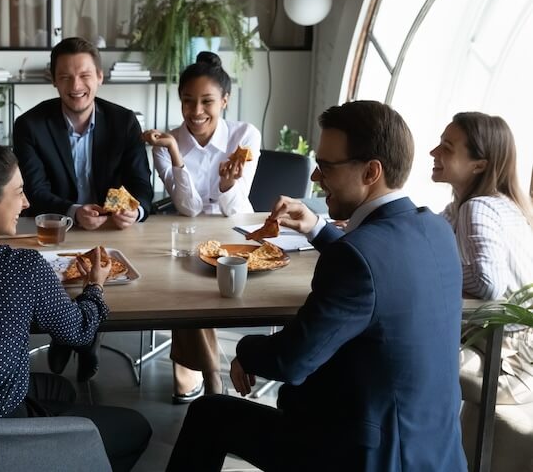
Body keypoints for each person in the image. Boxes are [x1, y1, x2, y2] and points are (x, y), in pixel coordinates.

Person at [166, 101, 467, 471]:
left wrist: (245, 349)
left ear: (371, 171)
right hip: (435, 449)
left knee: (209, 414)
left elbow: (292, 361)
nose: (315, 179)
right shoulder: (436, 230)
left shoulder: (356, 258)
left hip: (367, 455)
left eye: (326, 167)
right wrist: (316, 229)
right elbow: (380, 268)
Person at [0, 140, 151, 471]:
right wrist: (95, 285)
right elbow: (79, 330)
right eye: (18, 192)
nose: (26, 202)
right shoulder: (23, 268)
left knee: (59, 388)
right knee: (136, 427)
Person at [12, 36, 154, 381]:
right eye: (66, 77)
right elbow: (34, 192)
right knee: (55, 279)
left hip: (113, 233)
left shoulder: (124, 123)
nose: (76, 86)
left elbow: (143, 189)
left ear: (100, 77)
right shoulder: (30, 125)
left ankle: (78, 338)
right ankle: (76, 336)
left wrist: (135, 212)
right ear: (53, 79)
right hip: (55, 231)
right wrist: (74, 211)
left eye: (85, 76)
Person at [142, 52, 261, 403]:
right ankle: (212, 376)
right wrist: (177, 155)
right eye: (188, 101)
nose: (196, 111)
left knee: (196, 280)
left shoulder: (245, 136)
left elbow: (236, 211)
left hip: (236, 232)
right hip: (189, 232)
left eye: (207, 101)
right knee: (188, 281)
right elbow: (189, 209)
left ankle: (197, 372)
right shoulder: (168, 143)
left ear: (225, 100)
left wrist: (226, 185)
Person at [430, 112, 533, 466]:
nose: (433, 152)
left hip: (508, 360)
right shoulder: (483, 204)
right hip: (504, 347)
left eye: (446, 147)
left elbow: (489, 284)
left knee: (392, 352)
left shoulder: (477, 208)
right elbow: (424, 239)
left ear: (478, 165)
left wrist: (434, 273)